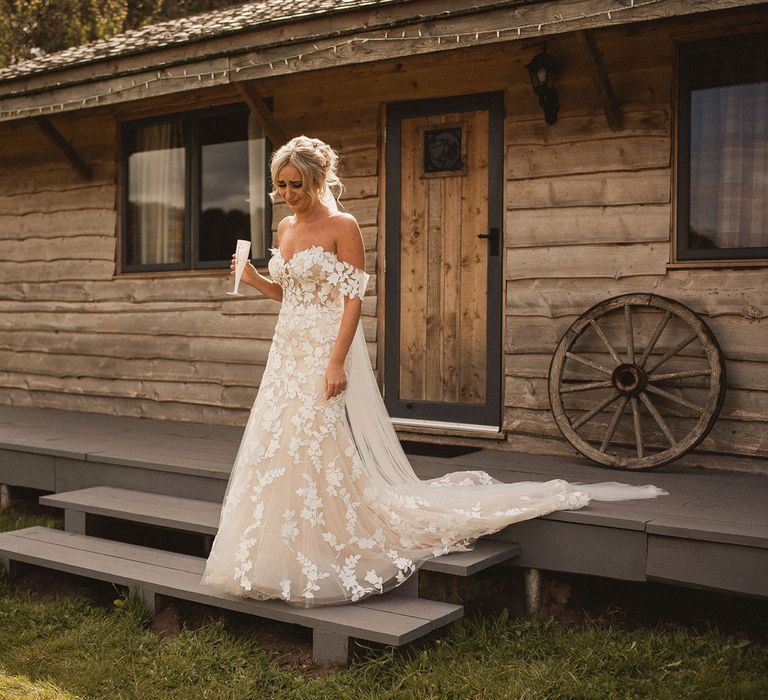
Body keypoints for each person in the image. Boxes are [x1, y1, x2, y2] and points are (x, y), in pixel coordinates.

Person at [200, 136, 667, 607]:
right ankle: (273, 553)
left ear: (317, 180)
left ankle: (326, 544)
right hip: (287, 351)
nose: (287, 192)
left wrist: (337, 360)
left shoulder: (343, 225)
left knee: (316, 437)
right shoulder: (283, 227)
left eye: (295, 184)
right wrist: (255, 278)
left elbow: (351, 301)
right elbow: (290, 295)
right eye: (280, 185)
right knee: (278, 440)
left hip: (325, 347)